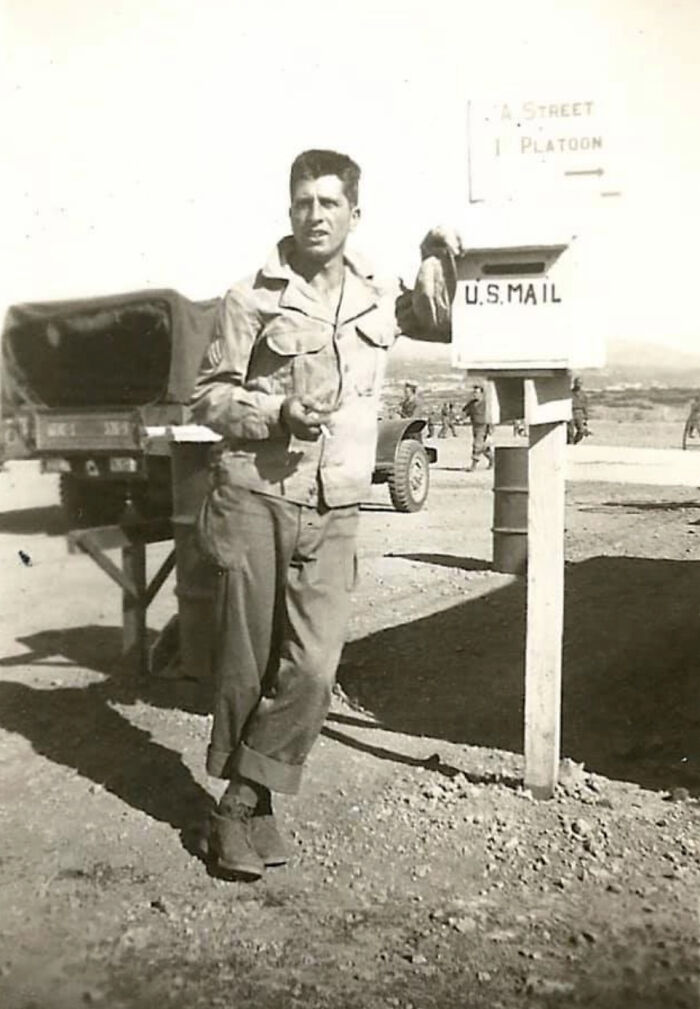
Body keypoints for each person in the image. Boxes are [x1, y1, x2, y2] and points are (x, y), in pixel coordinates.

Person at [189, 149, 448, 880]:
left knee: (314, 666)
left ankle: (239, 800)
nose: (315, 214)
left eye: (329, 202)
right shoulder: (251, 297)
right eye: (303, 201)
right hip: (258, 495)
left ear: (354, 213)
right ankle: (254, 813)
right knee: (247, 666)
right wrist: (276, 410)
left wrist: (434, 256)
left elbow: (441, 319)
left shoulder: (377, 294)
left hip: (336, 502)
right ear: (289, 210)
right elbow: (206, 397)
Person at [462, 383, 493, 470]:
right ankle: (492, 460)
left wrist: (490, 431)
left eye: (477, 393)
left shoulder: (486, 404)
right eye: (474, 392)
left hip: (484, 426)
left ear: (482, 394)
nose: (475, 394)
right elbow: (466, 412)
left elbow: (491, 417)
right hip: (475, 426)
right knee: (483, 447)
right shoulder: (471, 404)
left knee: (477, 445)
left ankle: (473, 465)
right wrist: (460, 418)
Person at [568, 376, 589, 444]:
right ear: (574, 383)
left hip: (579, 413)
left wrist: (586, 416)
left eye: (580, 383)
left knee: (581, 431)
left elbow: (585, 405)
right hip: (570, 412)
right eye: (577, 382)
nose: (578, 384)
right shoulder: (569, 393)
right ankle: (570, 445)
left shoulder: (583, 394)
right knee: (570, 432)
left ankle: (574, 442)